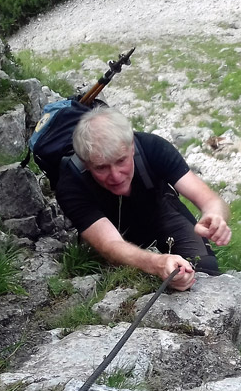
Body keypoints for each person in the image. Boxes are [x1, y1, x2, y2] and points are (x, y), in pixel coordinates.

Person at [54, 107, 231, 291]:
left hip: (160, 210)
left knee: (205, 269)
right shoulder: (71, 184)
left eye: (121, 161)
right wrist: (157, 263)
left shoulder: (152, 147)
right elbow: (110, 245)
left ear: (132, 147)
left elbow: (210, 200)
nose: (115, 176)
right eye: (101, 168)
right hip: (113, 227)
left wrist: (215, 216)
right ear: (86, 162)